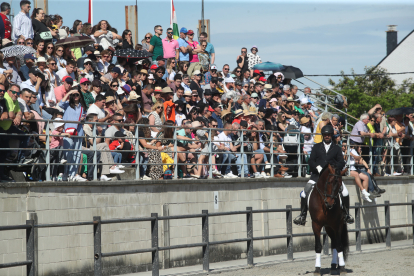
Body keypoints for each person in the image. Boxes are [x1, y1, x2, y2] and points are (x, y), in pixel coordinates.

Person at [293, 125, 354, 226]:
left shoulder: (337, 148)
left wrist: (334, 169)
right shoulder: (317, 147)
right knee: (304, 193)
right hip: (317, 176)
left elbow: (341, 162)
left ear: (331, 135)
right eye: (325, 135)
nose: (327, 136)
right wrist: (317, 167)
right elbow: (311, 160)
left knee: (345, 192)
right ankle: (302, 215)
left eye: (328, 135)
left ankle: (346, 214)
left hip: (333, 177)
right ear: (322, 135)